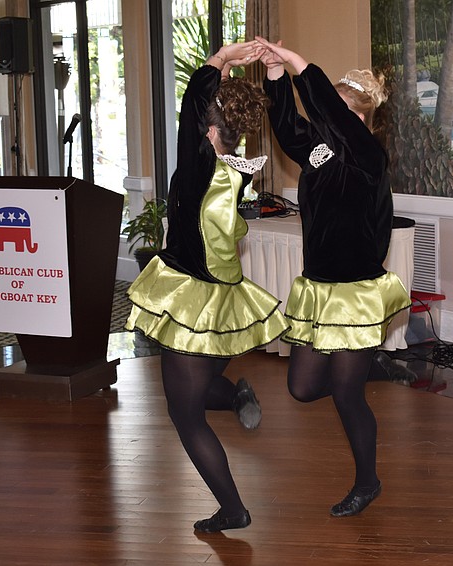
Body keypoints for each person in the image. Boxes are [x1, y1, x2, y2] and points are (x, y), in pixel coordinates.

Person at [124, 41, 289, 532]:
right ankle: (238, 395)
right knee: (194, 396)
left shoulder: (200, 169)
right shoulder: (237, 172)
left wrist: (219, 57)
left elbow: (191, 106)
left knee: (185, 414)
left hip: (195, 301)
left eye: (202, 126)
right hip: (226, 302)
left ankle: (233, 509)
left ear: (212, 130)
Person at [257, 37, 411, 517]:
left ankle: (368, 482)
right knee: (301, 388)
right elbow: (288, 129)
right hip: (318, 285)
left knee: (346, 396)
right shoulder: (321, 152)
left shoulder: (367, 154)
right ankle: (373, 367)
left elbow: (327, 110)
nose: (326, 118)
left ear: (359, 119)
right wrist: (277, 76)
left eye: (339, 112)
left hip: (356, 289)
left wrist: (302, 64)